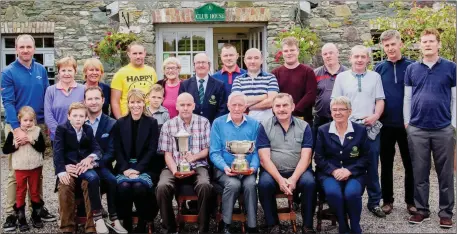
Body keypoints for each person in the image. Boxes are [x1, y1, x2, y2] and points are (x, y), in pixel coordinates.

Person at [1, 34, 55, 231]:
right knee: (16, 173)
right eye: (21, 47)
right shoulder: (8, 72)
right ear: (16, 48)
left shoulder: (40, 69)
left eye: (28, 47)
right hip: (16, 125)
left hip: (38, 125)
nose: (25, 50)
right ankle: (11, 213)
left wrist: (48, 123)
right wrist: (16, 130)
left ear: (34, 48)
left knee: (37, 170)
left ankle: (37, 209)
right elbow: (7, 102)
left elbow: (48, 98)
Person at [404, 28, 456, 228]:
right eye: (424, 41)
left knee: (445, 173)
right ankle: (422, 209)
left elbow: (455, 98)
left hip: (443, 128)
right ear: (420, 45)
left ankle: (445, 212)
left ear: (439, 44)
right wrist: (407, 122)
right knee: (419, 171)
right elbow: (407, 98)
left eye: (431, 41)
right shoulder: (412, 69)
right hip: (417, 128)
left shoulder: (451, 68)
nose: (427, 44)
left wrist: (453, 124)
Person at [331, 45, 386, 218]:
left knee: (371, 164)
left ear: (368, 59)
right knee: (347, 163)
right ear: (351, 58)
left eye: (363, 56)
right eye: (357, 56)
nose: (360, 59)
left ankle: (374, 202)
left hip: (369, 127)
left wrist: (376, 115)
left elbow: (380, 100)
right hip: (349, 127)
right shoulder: (342, 77)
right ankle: (349, 200)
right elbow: (335, 102)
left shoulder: (375, 77)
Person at [256, 93, 316, 233]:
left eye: (285, 105)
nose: (281, 109)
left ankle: (307, 226)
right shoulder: (264, 126)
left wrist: (293, 179)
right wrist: (280, 180)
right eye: (278, 106)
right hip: (273, 171)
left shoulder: (304, 126)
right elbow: (264, 158)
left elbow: (306, 157)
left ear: (293, 107)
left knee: (310, 183)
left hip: (299, 171)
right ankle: (272, 225)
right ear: (272, 108)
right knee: (264, 184)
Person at [157, 93, 213, 233]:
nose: (185, 108)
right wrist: (175, 170)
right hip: (174, 165)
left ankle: (203, 229)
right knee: (162, 186)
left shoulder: (204, 122)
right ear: (176, 106)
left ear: (194, 106)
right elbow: (167, 154)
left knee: (205, 185)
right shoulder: (168, 125)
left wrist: (193, 157)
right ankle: (169, 228)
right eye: (182, 105)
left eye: (189, 105)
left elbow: (207, 149)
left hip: (198, 164)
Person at [374, 30, 415, 215]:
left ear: (400, 44)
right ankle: (387, 200)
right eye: (386, 45)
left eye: (393, 44)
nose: (390, 48)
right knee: (387, 164)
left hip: (408, 124)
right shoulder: (378, 69)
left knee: (410, 163)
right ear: (383, 47)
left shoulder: (413, 66)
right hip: (385, 125)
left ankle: (411, 201)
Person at [314, 96, 370, 234]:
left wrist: (349, 171)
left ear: (349, 112)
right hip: (329, 173)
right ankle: (343, 225)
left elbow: (366, 157)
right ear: (331, 112)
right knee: (334, 193)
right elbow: (319, 158)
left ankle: (355, 225)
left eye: (342, 109)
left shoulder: (360, 130)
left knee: (351, 194)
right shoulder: (323, 130)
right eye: (334, 110)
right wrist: (334, 171)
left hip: (354, 173)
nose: (338, 113)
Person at [53, 102, 109, 234]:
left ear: (86, 118)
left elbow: (97, 149)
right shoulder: (62, 129)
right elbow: (57, 152)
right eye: (75, 115)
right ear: (69, 116)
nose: (78, 118)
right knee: (65, 185)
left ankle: (91, 226)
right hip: (69, 168)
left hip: (83, 168)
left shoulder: (88, 130)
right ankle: (67, 226)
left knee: (91, 182)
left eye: (81, 116)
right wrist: (61, 170)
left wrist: (90, 158)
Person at [209, 92, 259, 234]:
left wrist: (254, 168)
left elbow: (257, 151)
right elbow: (214, 152)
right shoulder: (218, 123)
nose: (237, 108)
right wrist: (225, 167)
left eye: (240, 105)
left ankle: (252, 225)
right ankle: (225, 224)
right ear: (228, 106)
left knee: (250, 184)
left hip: (247, 169)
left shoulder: (254, 124)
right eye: (234, 105)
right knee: (233, 184)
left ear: (246, 107)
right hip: (224, 169)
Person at [113, 89, 161, 233]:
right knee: (124, 187)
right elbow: (117, 149)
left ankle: (142, 222)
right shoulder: (120, 123)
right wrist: (126, 169)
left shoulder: (152, 122)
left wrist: (138, 169)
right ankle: (126, 222)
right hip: (125, 166)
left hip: (145, 166)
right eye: (132, 102)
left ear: (144, 102)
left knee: (140, 186)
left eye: (139, 102)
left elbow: (152, 149)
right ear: (128, 104)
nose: (136, 105)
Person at [84, 86, 127, 233]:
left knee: (112, 180)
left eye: (97, 98)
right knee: (92, 179)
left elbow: (112, 151)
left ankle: (113, 218)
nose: (93, 102)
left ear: (103, 100)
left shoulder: (112, 123)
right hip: (83, 167)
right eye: (90, 99)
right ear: (84, 101)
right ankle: (98, 219)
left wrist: (95, 163)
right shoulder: (79, 121)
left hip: (102, 165)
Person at [2, 107, 46, 232]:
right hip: (20, 168)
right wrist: (15, 145)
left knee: (34, 191)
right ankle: (21, 218)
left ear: (34, 121)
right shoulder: (13, 132)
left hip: (35, 168)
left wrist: (31, 141)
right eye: (25, 120)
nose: (28, 123)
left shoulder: (37, 131)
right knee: (21, 192)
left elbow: (42, 147)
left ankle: (35, 215)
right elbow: (6, 149)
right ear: (19, 120)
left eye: (31, 120)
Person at [272, 37, 317, 124]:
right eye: (286, 51)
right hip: (281, 119)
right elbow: (274, 97)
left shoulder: (308, 72)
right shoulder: (275, 73)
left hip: (303, 119)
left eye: (292, 50)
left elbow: (311, 95)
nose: (289, 53)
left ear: (298, 51)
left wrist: (293, 111)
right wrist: (284, 111)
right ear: (282, 53)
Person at [111, 42, 158, 119]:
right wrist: (120, 121)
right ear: (129, 54)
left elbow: (156, 94)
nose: (138, 56)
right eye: (134, 53)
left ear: (145, 53)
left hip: (149, 116)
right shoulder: (121, 73)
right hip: (128, 117)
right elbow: (115, 101)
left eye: (140, 53)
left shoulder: (151, 71)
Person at [313, 43, 348, 147]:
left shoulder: (347, 73)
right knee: (319, 148)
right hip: (321, 118)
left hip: (342, 119)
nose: (328, 56)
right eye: (325, 54)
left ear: (337, 53)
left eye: (331, 53)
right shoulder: (316, 73)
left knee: (339, 148)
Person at [232, 48, 279, 122]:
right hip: (244, 123)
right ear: (245, 61)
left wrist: (249, 108)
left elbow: (271, 101)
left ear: (261, 60)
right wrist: (264, 96)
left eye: (256, 58)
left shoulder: (270, 77)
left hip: (266, 124)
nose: (252, 61)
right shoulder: (238, 80)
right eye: (249, 58)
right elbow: (237, 101)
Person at [44, 56, 85, 142]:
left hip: (79, 137)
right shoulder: (50, 90)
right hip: (57, 138)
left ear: (75, 72)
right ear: (58, 72)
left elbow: (86, 113)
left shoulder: (83, 89)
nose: (66, 73)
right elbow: (48, 115)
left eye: (70, 70)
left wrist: (75, 133)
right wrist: (60, 133)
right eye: (63, 70)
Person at [178, 53, 227, 123]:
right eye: (198, 63)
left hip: (212, 126)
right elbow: (181, 106)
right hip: (190, 126)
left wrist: (214, 125)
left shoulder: (219, 85)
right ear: (194, 66)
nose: (201, 65)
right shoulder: (185, 85)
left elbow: (222, 109)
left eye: (203, 62)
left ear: (209, 65)